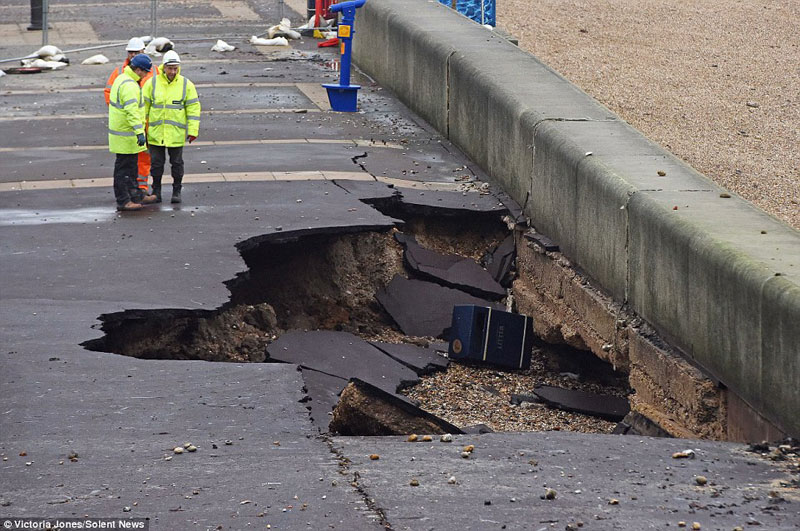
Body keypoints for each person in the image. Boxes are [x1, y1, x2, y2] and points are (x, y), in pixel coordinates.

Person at [142, 50, 201, 204]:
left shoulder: (186, 85)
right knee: (156, 164)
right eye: (170, 68)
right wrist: (141, 129)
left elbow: (193, 109)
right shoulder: (152, 83)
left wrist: (193, 130)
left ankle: (176, 191)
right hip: (156, 134)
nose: (173, 72)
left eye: (175, 68)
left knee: (177, 164)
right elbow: (143, 108)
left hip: (175, 134)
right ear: (164, 67)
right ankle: (157, 192)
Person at [104, 37, 160, 198]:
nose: (133, 55)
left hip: (145, 122)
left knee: (142, 158)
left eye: (136, 52)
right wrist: (121, 113)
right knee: (127, 164)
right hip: (132, 126)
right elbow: (114, 97)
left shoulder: (152, 70)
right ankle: (129, 195)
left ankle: (139, 189)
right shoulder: (123, 76)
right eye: (131, 52)